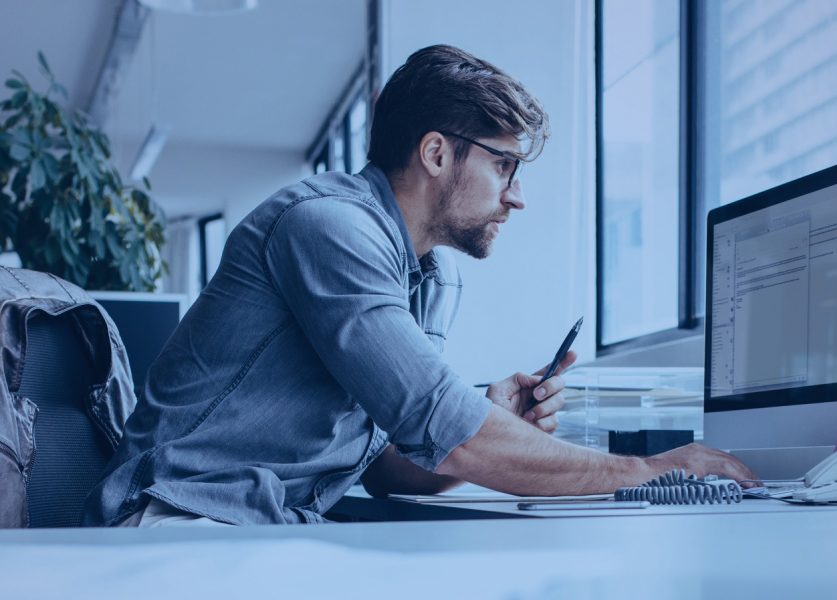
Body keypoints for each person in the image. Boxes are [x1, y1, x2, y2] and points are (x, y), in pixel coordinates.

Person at [83, 44, 752, 527]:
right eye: (504, 166)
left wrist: (488, 415)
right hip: (178, 519)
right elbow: (449, 431)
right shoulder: (327, 228)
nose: (517, 197)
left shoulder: (430, 275)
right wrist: (650, 472)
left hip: (265, 528)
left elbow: (384, 468)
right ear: (436, 154)